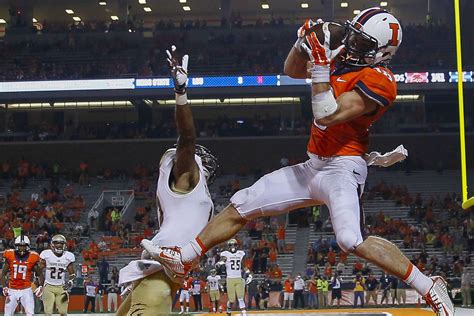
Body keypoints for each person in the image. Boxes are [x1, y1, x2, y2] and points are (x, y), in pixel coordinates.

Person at [142, 8, 454, 316]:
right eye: (354, 38)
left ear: (381, 53)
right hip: (313, 166)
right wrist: (304, 43)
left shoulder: (381, 79)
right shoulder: (344, 60)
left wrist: (319, 65)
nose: (353, 46)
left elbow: (327, 114)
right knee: (243, 202)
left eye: (362, 43)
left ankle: (429, 285)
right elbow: (291, 69)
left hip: (343, 168)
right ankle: (183, 257)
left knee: (350, 239)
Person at [116, 45, 218, 316]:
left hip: (159, 276)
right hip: (158, 279)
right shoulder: (185, 177)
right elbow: (187, 137)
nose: (203, 161)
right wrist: (181, 93)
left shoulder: (182, 188)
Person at [1, 235, 43, 316]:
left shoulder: (33, 257)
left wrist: (41, 286)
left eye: (24, 246)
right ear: (16, 246)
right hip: (12, 290)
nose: (22, 249)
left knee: (30, 314)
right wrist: (4, 287)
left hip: (26, 290)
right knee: (7, 314)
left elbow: (40, 274)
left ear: (28, 246)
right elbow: (3, 273)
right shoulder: (10, 255)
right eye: (20, 246)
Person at [39, 234, 76, 316]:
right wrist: (39, 284)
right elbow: (39, 270)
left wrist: (70, 281)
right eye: (56, 243)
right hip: (48, 286)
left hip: (61, 288)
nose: (59, 245)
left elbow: (72, 273)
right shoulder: (47, 254)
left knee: (63, 313)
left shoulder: (68, 256)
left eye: (61, 243)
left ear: (64, 245)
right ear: (52, 244)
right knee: (48, 313)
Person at [216, 239, 247, 315]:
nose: (233, 247)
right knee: (231, 300)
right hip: (230, 279)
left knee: (240, 298)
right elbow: (223, 259)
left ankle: (244, 313)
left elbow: (242, 265)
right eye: (231, 245)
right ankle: (229, 309)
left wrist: (248, 272)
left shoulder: (240, 253)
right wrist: (220, 263)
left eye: (234, 245)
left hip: (239, 278)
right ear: (229, 246)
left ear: (236, 245)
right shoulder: (226, 254)